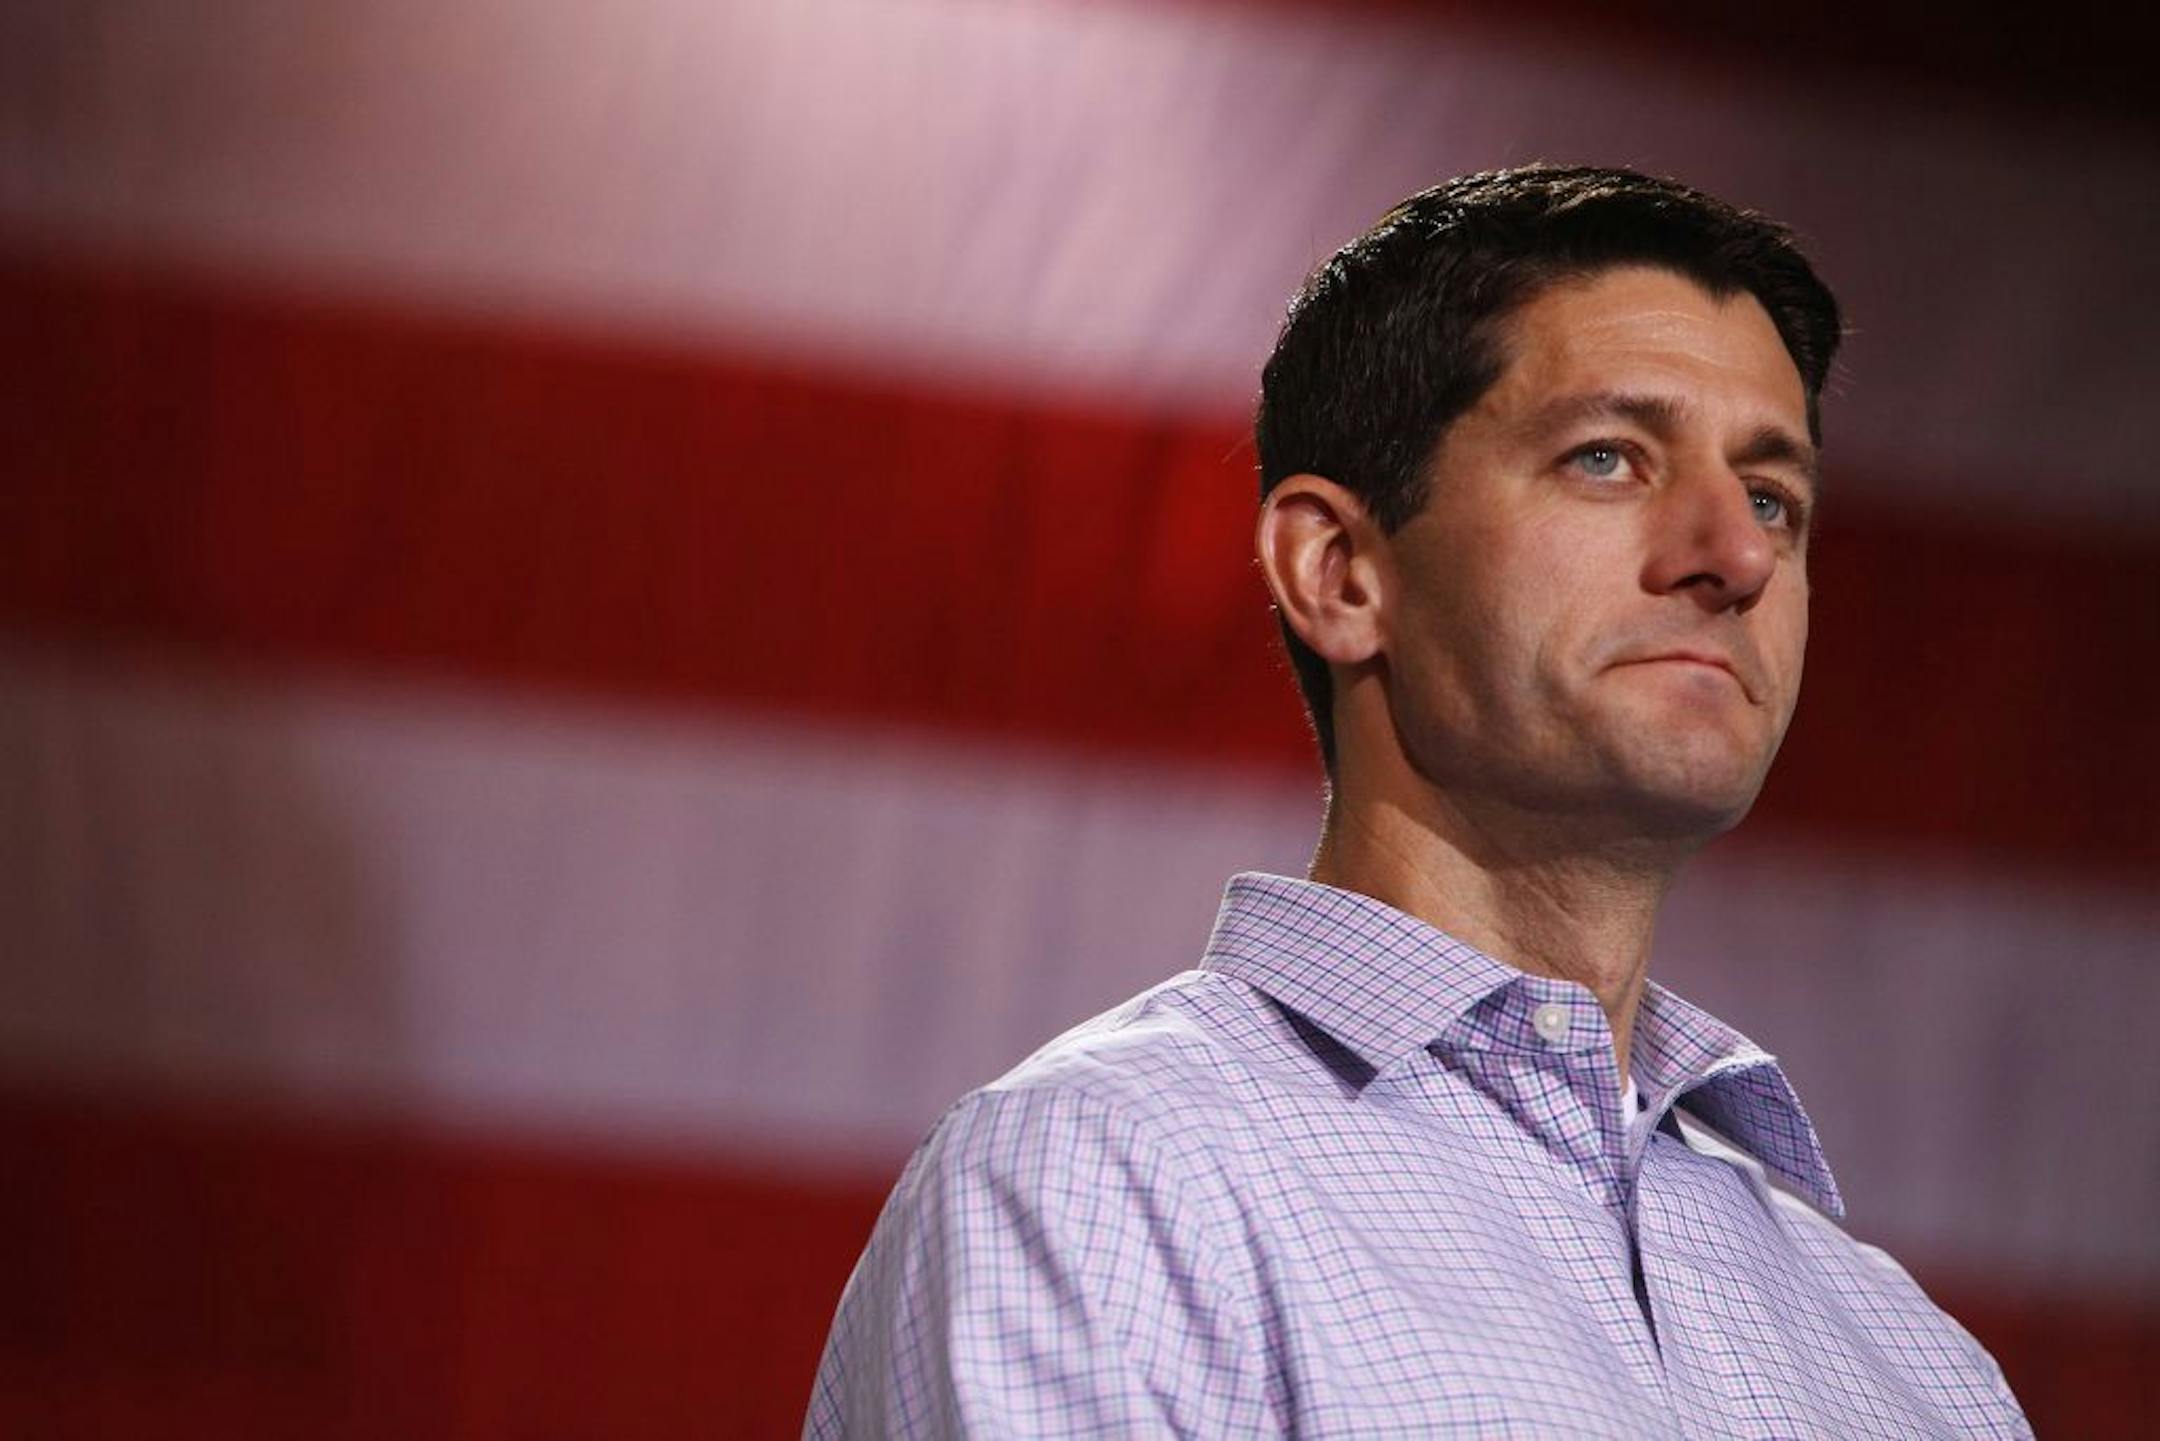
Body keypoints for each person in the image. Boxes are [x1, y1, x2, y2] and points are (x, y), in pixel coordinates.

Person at [804, 166, 2031, 1438]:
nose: (1736, 556)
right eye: (1608, 458)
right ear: (1338, 571)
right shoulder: (1108, 1183)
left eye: (1773, 495)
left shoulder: (1916, 1363)